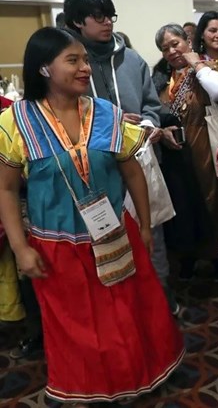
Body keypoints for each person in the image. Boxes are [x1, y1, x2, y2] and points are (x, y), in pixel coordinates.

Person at [0, 27, 183, 406]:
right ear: (45, 69)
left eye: (85, 59)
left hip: (116, 232)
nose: (85, 67)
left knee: (129, 314)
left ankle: (134, 379)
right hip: (56, 246)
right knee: (75, 326)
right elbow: (4, 188)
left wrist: (146, 226)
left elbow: (131, 170)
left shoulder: (106, 113)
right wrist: (20, 247)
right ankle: (88, 387)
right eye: (74, 60)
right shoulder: (14, 122)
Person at [63, 0, 177, 311]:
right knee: (102, 235)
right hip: (93, 165)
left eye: (110, 16)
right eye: (98, 17)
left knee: (150, 229)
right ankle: (118, 306)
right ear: (76, 23)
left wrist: (146, 125)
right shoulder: (68, 65)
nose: (107, 23)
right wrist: (106, 121)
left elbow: (152, 107)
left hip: (139, 157)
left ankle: (160, 296)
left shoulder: (132, 59)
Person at [153, 23, 218, 281]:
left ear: (187, 40)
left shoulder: (206, 68)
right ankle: (190, 257)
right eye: (166, 49)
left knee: (212, 199)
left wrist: (196, 63)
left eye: (176, 43)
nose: (172, 51)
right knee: (184, 204)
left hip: (204, 144)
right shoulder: (162, 79)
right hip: (176, 153)